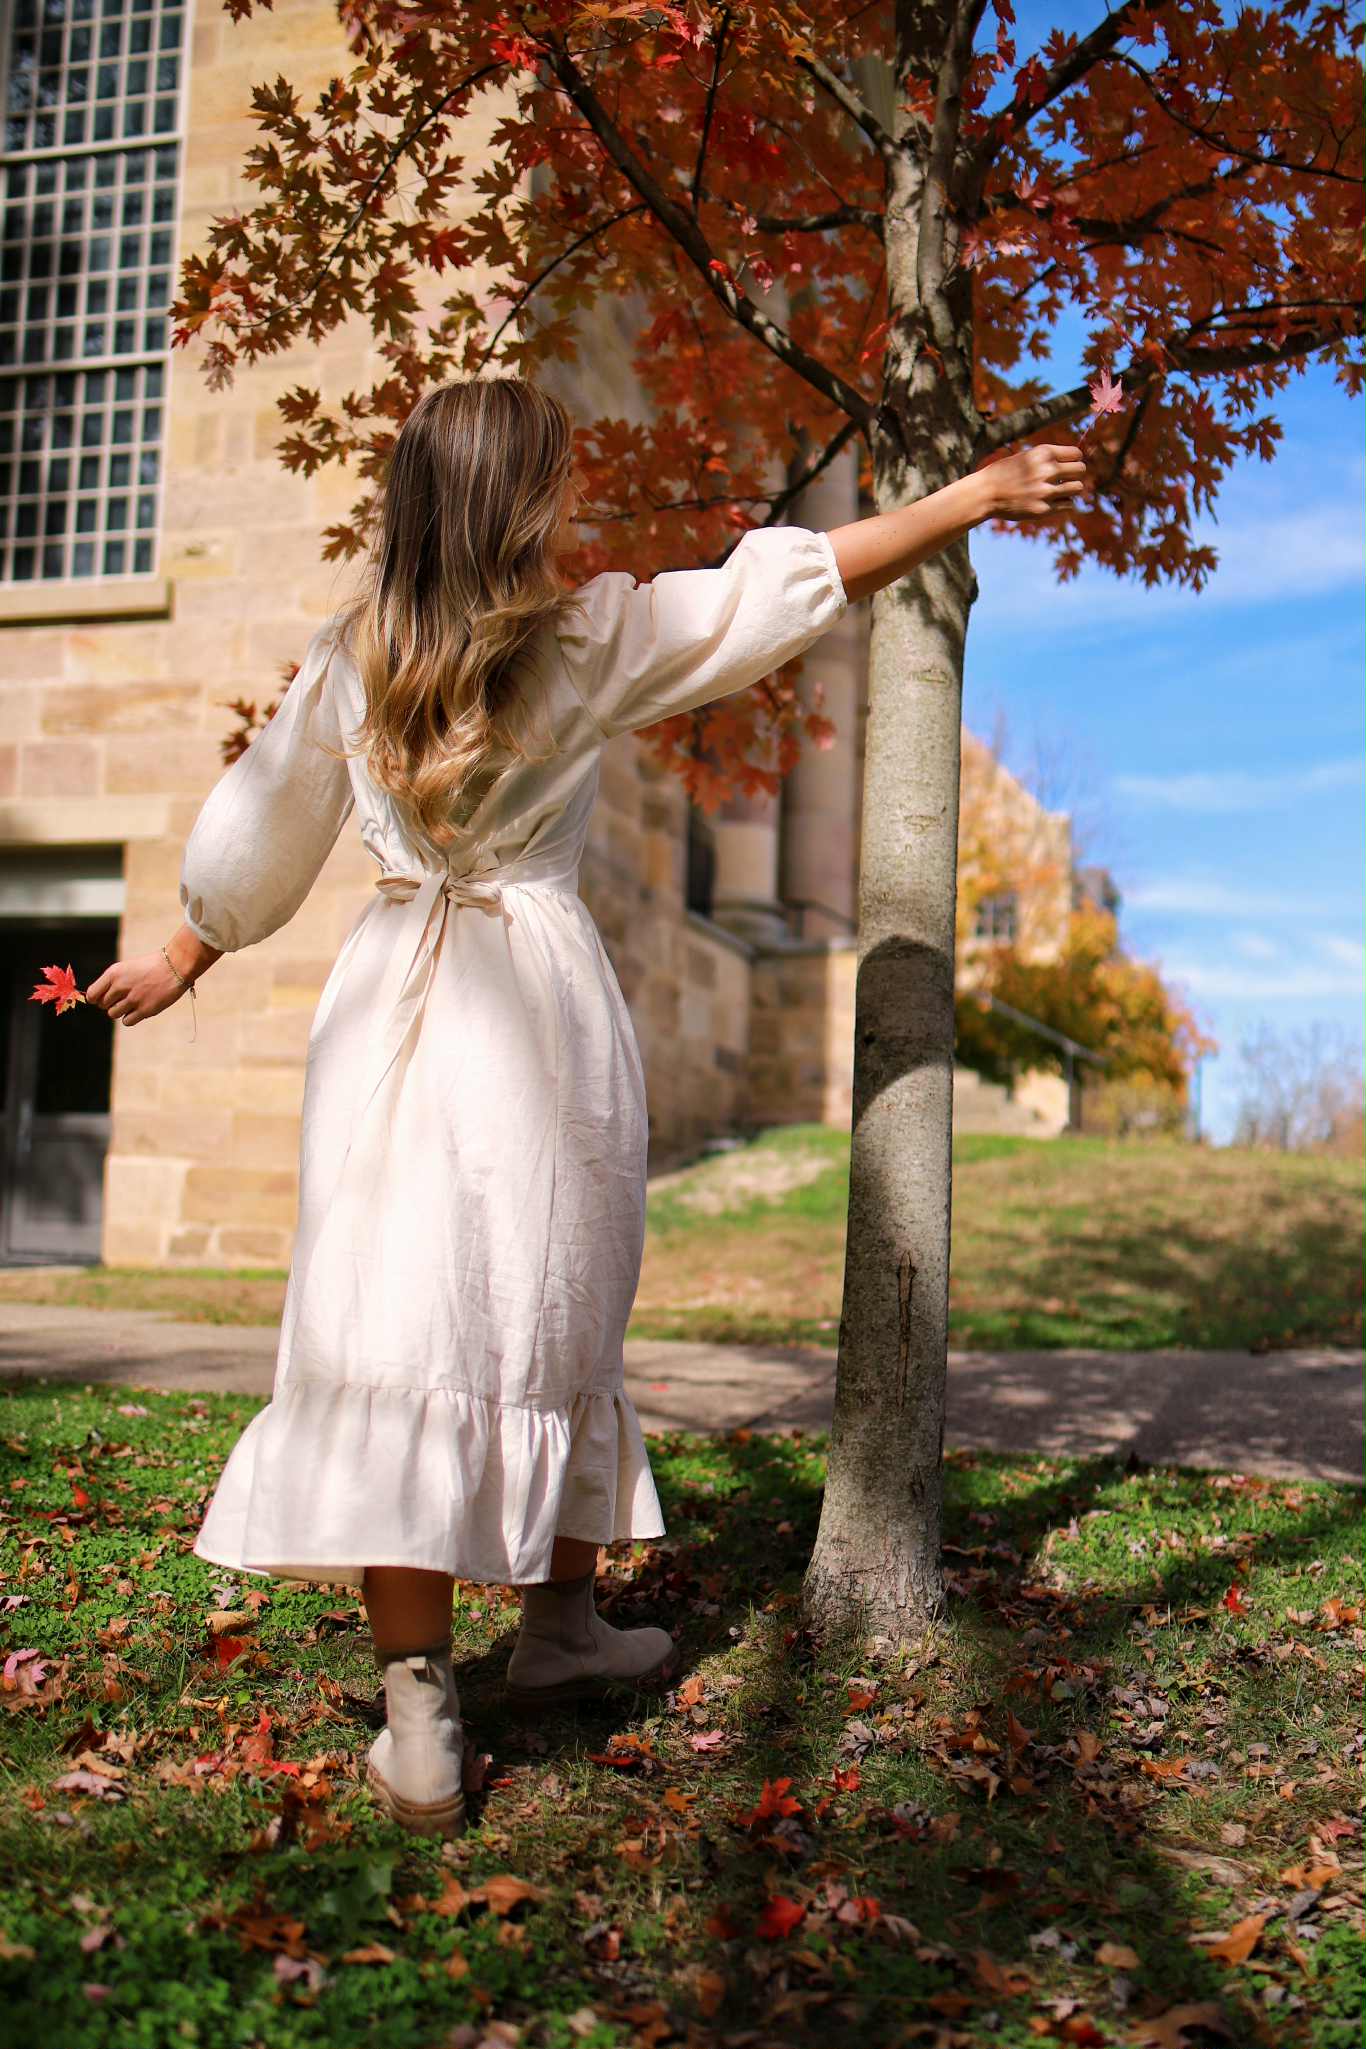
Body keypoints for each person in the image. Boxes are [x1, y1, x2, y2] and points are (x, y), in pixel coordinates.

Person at [85, 376, 1087, 1839]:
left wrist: (183, 947)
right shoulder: (586, 639)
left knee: (396, 1315)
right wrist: (968, 498)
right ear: (521, 506)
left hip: (388, 1010)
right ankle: (554, 1621)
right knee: (546, 1299)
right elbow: (771, 591)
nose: (575, 504)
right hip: (536, 1006)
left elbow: (262, 829)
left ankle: (427, 1704)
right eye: (557, 481)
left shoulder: (351, 660)